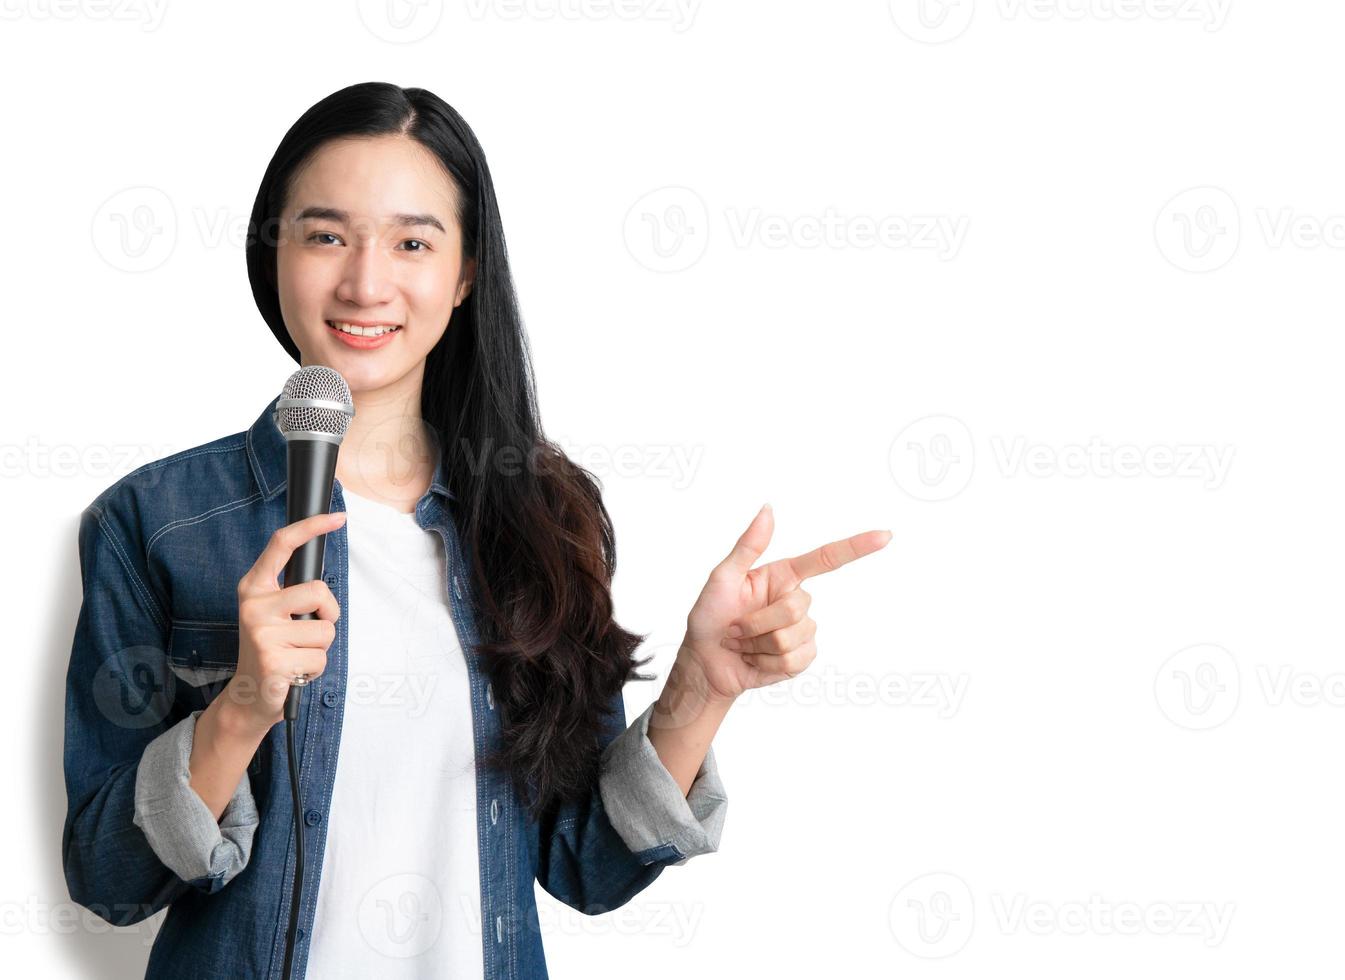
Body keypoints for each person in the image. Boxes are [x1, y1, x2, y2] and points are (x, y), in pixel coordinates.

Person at [61, 81, 891, 979]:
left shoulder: (540, 515)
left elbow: (584, 866)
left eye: (412, 242)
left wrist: (702, 687)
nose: (364, 281)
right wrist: (240, 713)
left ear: (463, 275)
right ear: (274, 254)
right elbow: (108, 881)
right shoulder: (154, 524)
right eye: (326, 234)